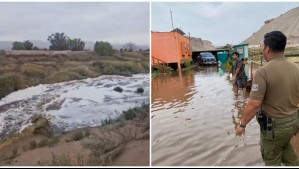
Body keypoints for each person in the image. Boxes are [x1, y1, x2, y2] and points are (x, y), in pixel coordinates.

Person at [236, 31, 299, 166]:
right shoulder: (296, 68)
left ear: (267, 49)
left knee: (271, 160)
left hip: (275, 129)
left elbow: (254, 104)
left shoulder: (263, 72)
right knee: (284, 146)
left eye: (262, 47)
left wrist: (242, 124)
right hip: (293, 124)